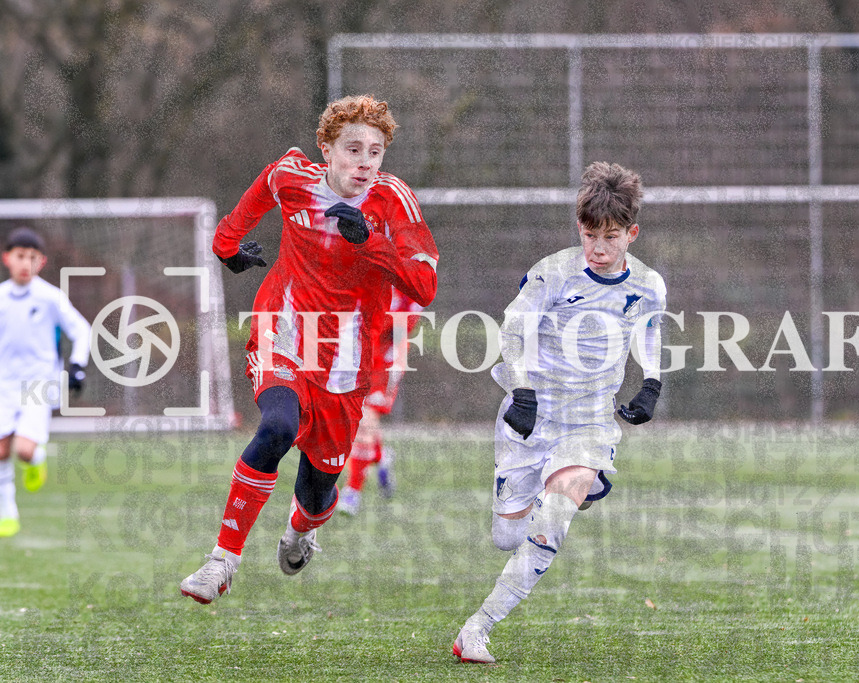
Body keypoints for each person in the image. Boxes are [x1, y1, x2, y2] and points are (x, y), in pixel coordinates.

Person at [180, 94, 438, 604]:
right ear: (326, 147)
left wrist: (371, 242)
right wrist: (228, 252)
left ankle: (302, 529)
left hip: (346, 358)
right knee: (276, 426)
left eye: (375, 152)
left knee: (318, 490)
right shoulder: (291, 176)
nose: (364, 163)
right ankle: (221, 561)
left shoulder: (393, 200)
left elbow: (424, 285)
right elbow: (237, 220)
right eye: (352, 149)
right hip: (285, 328)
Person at [451, 162, 666, 663]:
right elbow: (514, 330)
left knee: (554, 520)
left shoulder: (650, 285)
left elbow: (649, 333)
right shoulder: (553, 272)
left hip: (590, 422)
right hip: (531, 418)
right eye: (591, 234)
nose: (599, 247)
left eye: (611, 236)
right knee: (507, 536)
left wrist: (652, 383)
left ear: (632, 233)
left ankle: (476, 630)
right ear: (579, 228)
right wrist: (522, 391)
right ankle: (567, 487)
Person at [0, 227, 91, 537]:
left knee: (23, 450)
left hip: (40, 383)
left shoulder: (50, 297)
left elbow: (81, 330)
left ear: (41, 262)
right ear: (7, 258)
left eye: (32, 257)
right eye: (20, 256)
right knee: (0, 450)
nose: (25, 263)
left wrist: (78, 365)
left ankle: (35, 458)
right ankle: (7, 510)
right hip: (4, 384)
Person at [337, 286, 422, 515]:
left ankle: (352, 492)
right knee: (352, 420)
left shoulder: (404, 269)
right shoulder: (361, 261)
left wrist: (394, 323)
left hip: (384, 360)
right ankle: (380, 456)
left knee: (364, 421)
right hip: (353, 352)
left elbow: (414, 308)